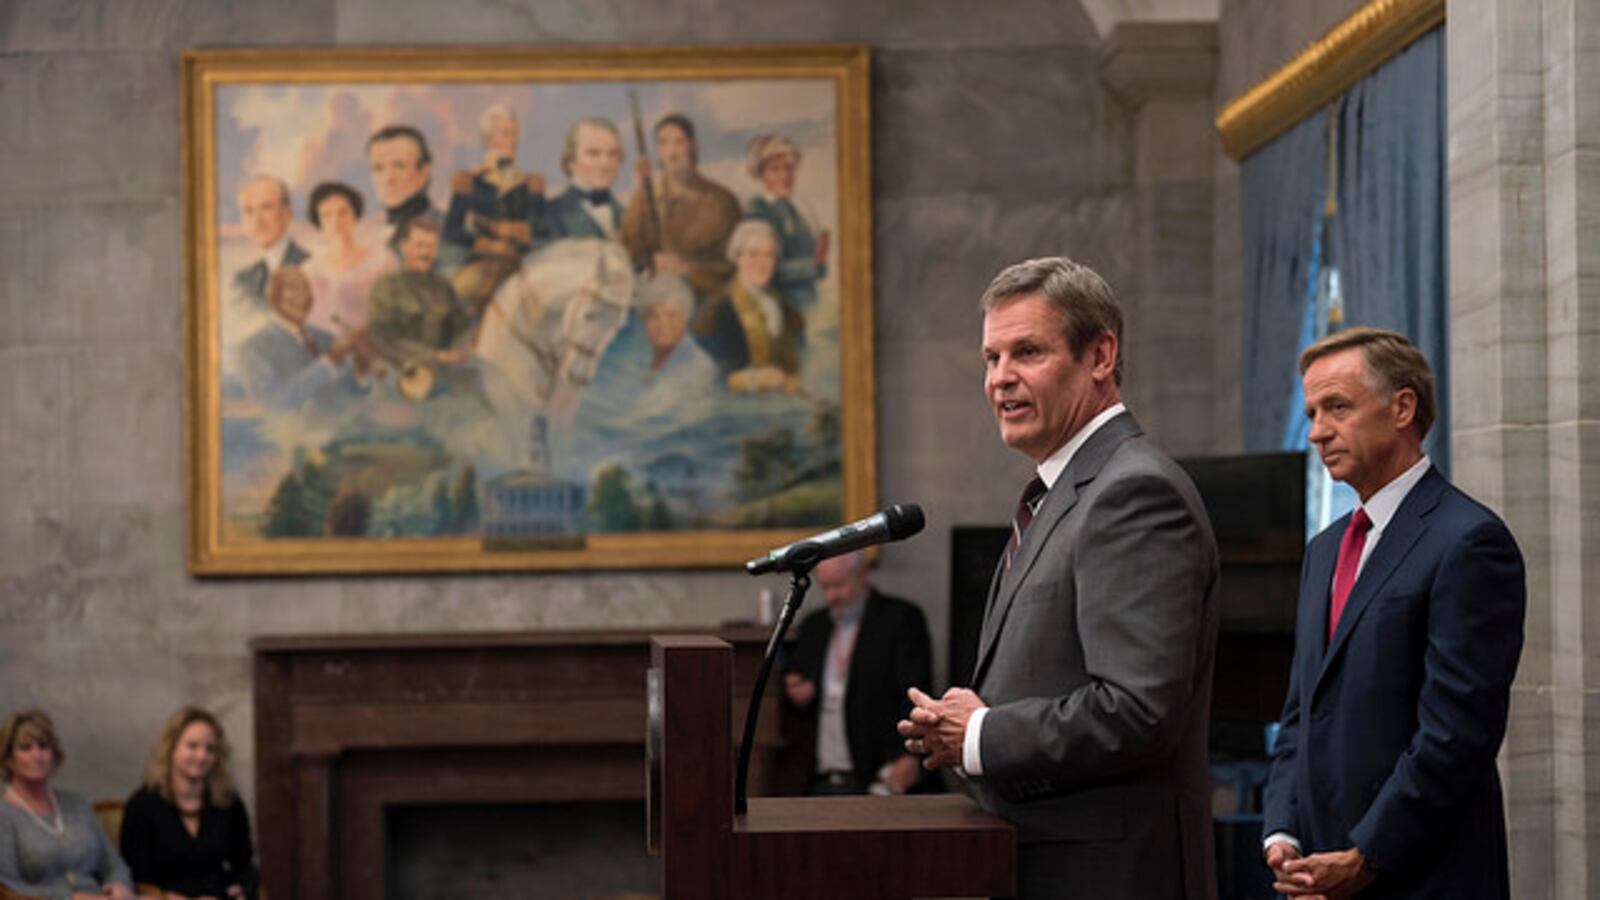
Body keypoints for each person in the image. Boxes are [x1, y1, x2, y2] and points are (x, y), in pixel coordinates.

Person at [897, 256, 1220, 900]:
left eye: (1027, 352)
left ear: (1100, 355)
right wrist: (971, 723)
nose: (1000, 379)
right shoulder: (1065, 491)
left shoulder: (1135, 492)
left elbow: (1138, 709)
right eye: (991, 359)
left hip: (1113, 876)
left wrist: (984, 734)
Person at [1261, 327, 1526, 899]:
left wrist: (1366, 857)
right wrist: (1282, 831)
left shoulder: (1470, 541)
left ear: (1402, 407)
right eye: (1311, 412)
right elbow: (1302, 711)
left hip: (1422, 876)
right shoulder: (1324, 549)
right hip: (1317, 875)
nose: (1315, 432)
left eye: (1337, 407)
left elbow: (1456, 735)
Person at [781, 551, 934, 796]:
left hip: (878, 776)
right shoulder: (814, 626)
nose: (832, 596)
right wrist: (798, 692)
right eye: (825, 587)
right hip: (820, 778)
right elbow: (798, 689)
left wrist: (911, 755)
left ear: (862, 575)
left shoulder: (899, 620)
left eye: (839, 585)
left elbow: (916, 693)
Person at [120, 708, 257, 900]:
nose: (202, 756)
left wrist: (240, 890)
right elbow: (138, 878)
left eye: (210, 749)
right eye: (192, 746)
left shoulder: (229, 802)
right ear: (171, 747)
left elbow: (244, 867)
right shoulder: (142, 805)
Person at [0, 709, 135, 899]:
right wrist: (69, 897)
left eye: (43, 746)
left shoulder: (77, 804)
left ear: (54, 755)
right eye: (25, 747)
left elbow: (113, 864)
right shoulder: (4, 814)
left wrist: (120, 885)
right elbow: (8, 886)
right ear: (8, 759)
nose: (36, 755)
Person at [619, 113, 742, 305]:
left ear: (691, 145)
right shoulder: (646, 196)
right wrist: (642, 190)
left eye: (679, 142)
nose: (672, 152)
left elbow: (737, 267)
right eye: (664, 143)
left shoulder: (721, 201)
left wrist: (688, 270)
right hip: (658, 307)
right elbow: (628, 254)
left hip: (707, 305)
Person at [443, 103, 547, 315]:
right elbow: (451, 231)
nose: (514, 141)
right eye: (507, 133)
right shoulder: (470, 182)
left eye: (514, 134)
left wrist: (523, 232)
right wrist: (489, 245)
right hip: (485, 264)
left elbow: (544, 229)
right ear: (491, 139)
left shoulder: (529, 184)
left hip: (524, 263)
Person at [691, 218, 804, 394]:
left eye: (769, 255)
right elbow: (713, 378)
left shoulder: (783, 306)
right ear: (737, 257)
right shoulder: (717, 311)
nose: (762, 263)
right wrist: (755, 379)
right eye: (753, 254)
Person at [235, 266, 366, 414]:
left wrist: (360, 363)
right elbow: (275, 404)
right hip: (295, 434)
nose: (302, 295)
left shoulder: (326, 338)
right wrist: (329, 361)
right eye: (293, 288)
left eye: (305, 288)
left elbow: (354, 395)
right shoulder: (253, 348)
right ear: (274, 298)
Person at [366, 216, 473, 369]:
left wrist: (457, 349)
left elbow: (461, 324)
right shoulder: (386, 286)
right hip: (398, 371)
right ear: (404, 247)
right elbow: (383, 338)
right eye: (419, 245)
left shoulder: (442, 286)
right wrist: (433, 356)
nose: (426, 252)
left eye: (431, 246)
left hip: (442, 370)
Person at [744, 134, 829, 308]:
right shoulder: (757, 212)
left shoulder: (796, 211)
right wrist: (814, 266)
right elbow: (767, 268)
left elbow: (816, 261)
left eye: (789, 169)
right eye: (775, 169)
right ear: (761, 174)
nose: (785, 176)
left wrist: (819, 264)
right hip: (775, 307)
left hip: (805, 305)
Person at [303, 180, 393, 335]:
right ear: (319, 222)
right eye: (327, 216)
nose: (336, 222)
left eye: (343, 213)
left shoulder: (381, 261)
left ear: (355, 215)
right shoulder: (309, 271)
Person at [366, 124, 458, 269]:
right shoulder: (368, 233)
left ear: (424, 172)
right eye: (378, 168)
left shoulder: (447, 232)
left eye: (399, 166)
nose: (388, 179)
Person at [229, 174, 310, 314]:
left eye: (266, 208)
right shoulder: (244, 279)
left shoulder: (310, 267)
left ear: (287, 214)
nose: (257, 220)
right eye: (248, 211)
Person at [538, 117, 626, 242]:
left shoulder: (629, 216)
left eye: (612, 154)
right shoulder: (548, 216)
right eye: (593, 153)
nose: (605, 163)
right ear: (570, 161)